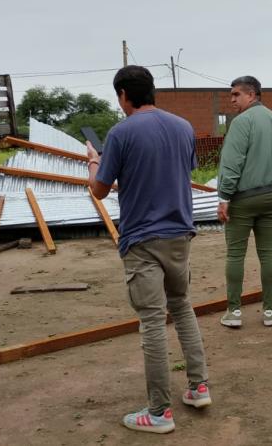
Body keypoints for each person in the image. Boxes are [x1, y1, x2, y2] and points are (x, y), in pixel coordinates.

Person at [87, 65, 210, 435]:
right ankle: (199, 387)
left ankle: (159, 412)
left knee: (153, 321)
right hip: (180, 234)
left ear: (123, 94)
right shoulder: (183, 127)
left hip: (142, 239)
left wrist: (93, 161)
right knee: (182, 307)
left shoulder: (121, 133)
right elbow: (180, 171)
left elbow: (99, 190)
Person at [216, 76, 272, 328]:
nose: (232, 100)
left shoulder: (241, 122)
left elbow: (232, 162)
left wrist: (224, 197)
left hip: (243, 198)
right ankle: (269, 311)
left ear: (252, 94)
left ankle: (234, 312)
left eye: (236, 94)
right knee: (268, 253)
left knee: (235, 254)